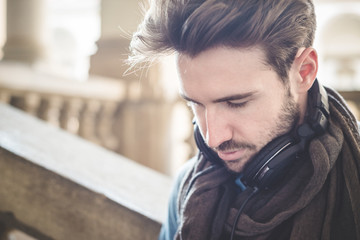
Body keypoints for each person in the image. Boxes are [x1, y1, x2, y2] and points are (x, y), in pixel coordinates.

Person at [128, 0, 360, 239]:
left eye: (237, 103)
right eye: (195, 104)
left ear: (304, 72)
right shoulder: (187, 187)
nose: (213, 138)